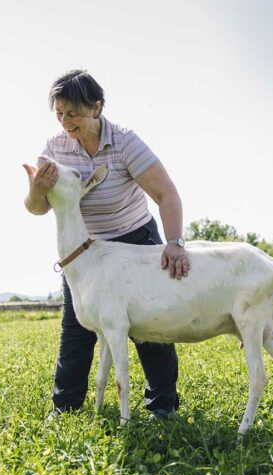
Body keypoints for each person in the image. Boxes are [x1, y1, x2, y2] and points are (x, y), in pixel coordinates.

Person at [23, 70, 190, 418]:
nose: (66, 122)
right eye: (59, 113)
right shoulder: (54, 150)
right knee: (76, 329)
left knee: (149, 327)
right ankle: (65, 407)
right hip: (87, 252)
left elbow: (166, 194)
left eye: (74, 113)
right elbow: (37, 208)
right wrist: (37, 190)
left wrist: (174, 243)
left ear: (96, 108)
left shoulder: (125, 142)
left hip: (135, 241)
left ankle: (163, 405)